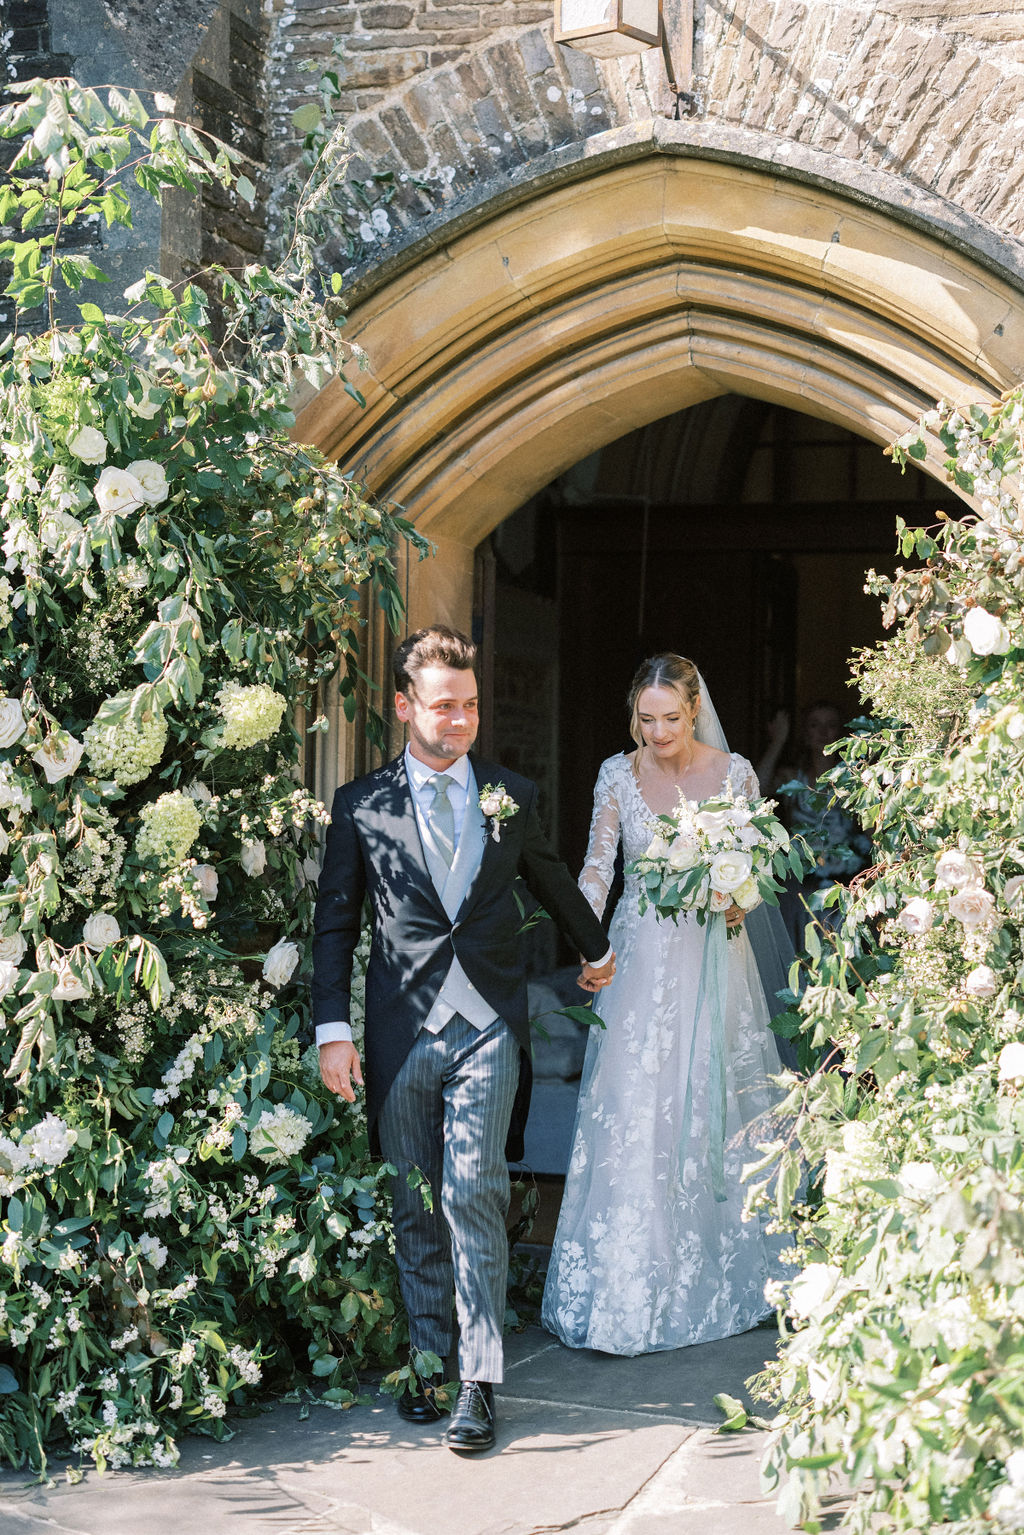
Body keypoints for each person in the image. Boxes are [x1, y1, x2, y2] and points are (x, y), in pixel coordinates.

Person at [313, 625, 615, 1452]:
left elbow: (550, 875)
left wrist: (596, 947)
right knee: (414, 1199)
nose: (461, 721)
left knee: (473, 1190)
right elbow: (335, 921)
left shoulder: (508, 791)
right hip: (401, 1027)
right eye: (444, 707)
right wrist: (332, 1029)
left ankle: (480, 1381)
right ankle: (427, 1357)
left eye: (471, 706)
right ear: (406, 706)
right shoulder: (362, 804)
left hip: (487, 1023)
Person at [541, 654, 792, 1357]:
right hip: (639, 959)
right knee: (634, 1109)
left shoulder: (736, 771)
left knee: (716, 1103)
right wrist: (586, 941)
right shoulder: (616, 774)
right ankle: (629, 1285)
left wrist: (733, 895)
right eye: (645, 719)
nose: (657, 732)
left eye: (670, 719)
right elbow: (598, 865)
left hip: (713, 958)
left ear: (694, 708)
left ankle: (724, 1272)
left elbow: (755, 871)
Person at [757, 701, 870, 946]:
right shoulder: (792, 777)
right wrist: (778, 741)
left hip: (845, 884)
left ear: (841, 733)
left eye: (830, 725)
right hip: (801, 886)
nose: (822, 732)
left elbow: (871, 830)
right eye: (814, 725)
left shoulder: (855, 778)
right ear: (805, 733)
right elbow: (757, 788)